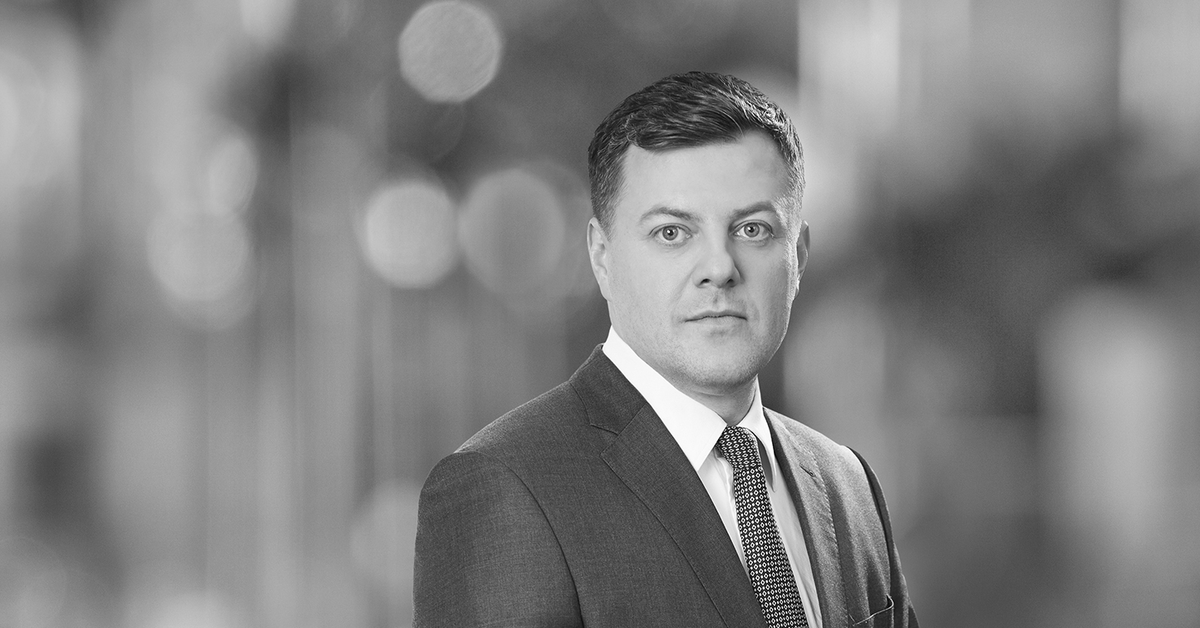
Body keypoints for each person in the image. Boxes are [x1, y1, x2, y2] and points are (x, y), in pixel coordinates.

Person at [413, 71, 917, 627]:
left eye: (752, 230)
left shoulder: (848, 487)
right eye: (672, 233)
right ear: (601, 256)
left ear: (797, 255)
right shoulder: (507, 487)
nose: (719, 268)